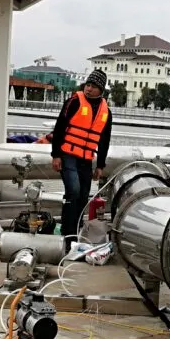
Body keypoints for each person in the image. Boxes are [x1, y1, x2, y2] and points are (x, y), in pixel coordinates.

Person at [51, 69, 112, 242]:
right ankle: (67, 234)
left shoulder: (105, 111)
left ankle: (75, 231)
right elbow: (59, 128)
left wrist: (100, 165)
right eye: (87, 85)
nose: (89, 89)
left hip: (86, 159)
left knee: (84, 195)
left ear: (101, 90)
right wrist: (56, 155)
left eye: (93, 87)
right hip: (68, 155)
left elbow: (104, 139)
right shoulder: (74, 102)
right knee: (74, 191)